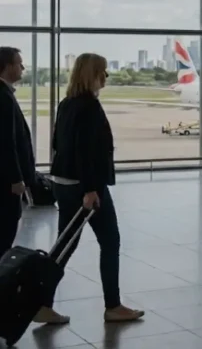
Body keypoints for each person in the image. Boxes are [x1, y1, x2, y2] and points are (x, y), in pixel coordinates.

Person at [38, 53, 144, 325]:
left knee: (65, 245)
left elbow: (59, 144)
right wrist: (90, 189)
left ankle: (42, 303)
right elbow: (86, 152)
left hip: (63, 182)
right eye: (102, 72)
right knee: (110, 241)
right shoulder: (89, 106)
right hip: (85, 187)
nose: (106, 76)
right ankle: (113, 305)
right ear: (92, 74)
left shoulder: (67, 103)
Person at [0, 47, 35, 258]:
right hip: (6, 182)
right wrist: (16, 178)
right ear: (7, 66)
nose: (22, 67)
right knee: (5, 232)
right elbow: (6, 142)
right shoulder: (3, 97)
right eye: (19, 63)